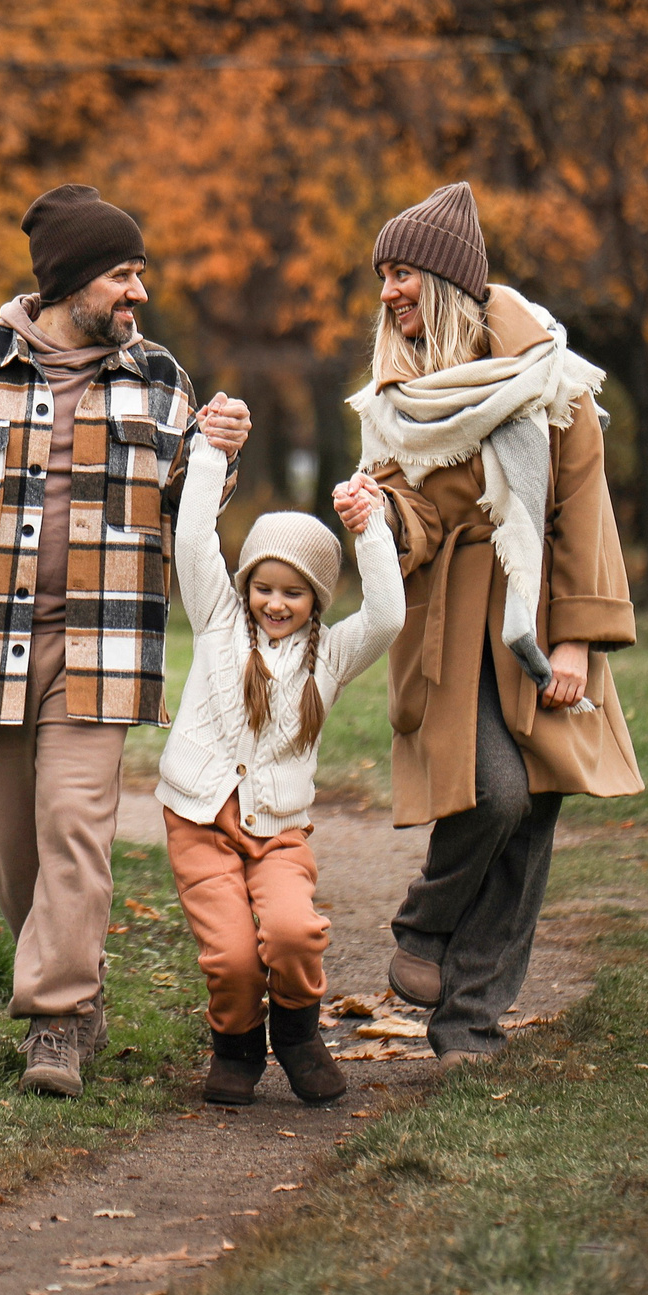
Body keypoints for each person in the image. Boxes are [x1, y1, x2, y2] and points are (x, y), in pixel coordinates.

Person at [0, 184, 250, 1098]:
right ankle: (74, 979)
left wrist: (221, 454)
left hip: (96, 649)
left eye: (140, 273)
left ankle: (56, 1024)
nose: (138, 293)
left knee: (74, 827)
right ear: (70, 284)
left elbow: (187, 516)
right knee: (12, 851)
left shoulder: (161, 382)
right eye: (121, 274)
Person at [353, 182, 643, 1062]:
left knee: (537, 804)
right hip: (451, 621)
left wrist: (576, 641)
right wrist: (380, 518)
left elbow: (582, 512)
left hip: (540, 612)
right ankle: (425, 922)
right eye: (382, 275)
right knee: (499, 790)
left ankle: (470, 1018)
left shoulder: (553, 378)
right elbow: (421, 519)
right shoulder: (399, 398)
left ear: (444, 280)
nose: (389, 291)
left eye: (403, 272)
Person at [155, 444, 404, 1105]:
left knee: (293, 932)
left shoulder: (333, 654)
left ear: (316, 598)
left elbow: (387, 616)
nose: (275, 602)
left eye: (293, 592)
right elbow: (193, 536)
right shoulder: (216, 618)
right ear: (245, 585)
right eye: (264, 587)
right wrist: (209, 453)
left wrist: (371, 529)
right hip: (200, 822)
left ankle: (297, 1034)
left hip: (279, 833)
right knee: (233, 956)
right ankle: (236, 1046)